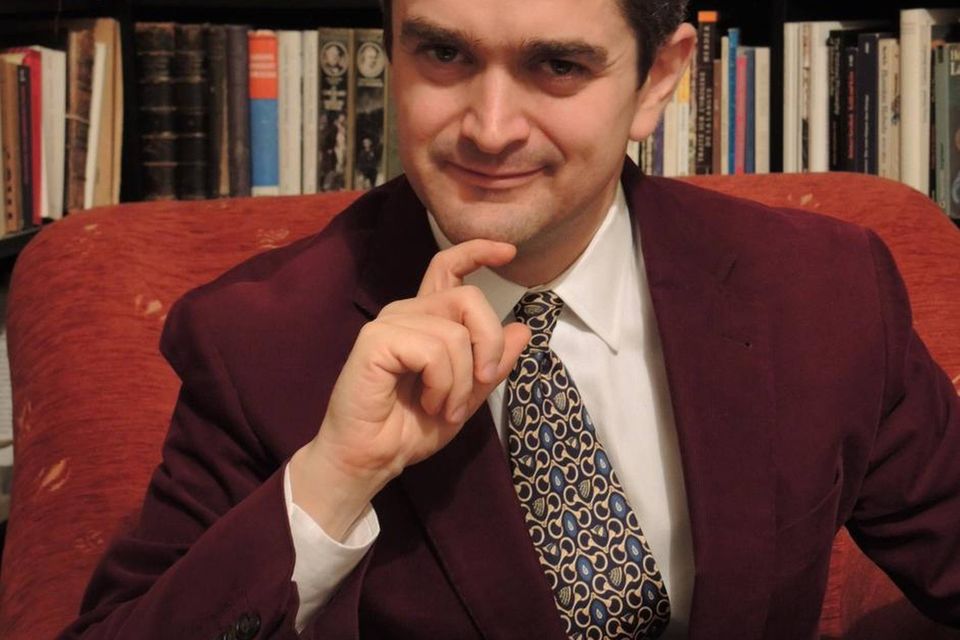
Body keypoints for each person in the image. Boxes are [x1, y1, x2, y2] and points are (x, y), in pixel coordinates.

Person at [63, 0, 960, 638]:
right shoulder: (256, 339)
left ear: (658, 79)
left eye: (557, 66)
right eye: (443, 55)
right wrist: (332, 479)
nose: (490, 131)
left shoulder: (823, 289)